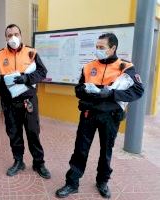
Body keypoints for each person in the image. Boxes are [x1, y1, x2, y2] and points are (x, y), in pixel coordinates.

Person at [55, 33, 144, 199]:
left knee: (106, 151)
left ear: (113, 48)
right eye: (96, 47)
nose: (98, 50)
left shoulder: (125, 68)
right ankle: (72, 182)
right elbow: (79, 89)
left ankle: (102, 181)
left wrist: (109, 94)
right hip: (89, 114)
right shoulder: (89, 66)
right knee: (80, 149)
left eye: (101, 47)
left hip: (110, 117)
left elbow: (137, 91)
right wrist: (85, 92)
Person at [0, 24, 51, 179]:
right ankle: (18, 161)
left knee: (33, 132)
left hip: (28, 101)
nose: (13, 37)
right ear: (6, 38)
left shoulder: (31, 52)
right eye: (9, 35)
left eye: (16, 34)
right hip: (9, 104)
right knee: (14, 133)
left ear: (21, 35)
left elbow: (42, 72)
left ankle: (39, 163)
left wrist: (27, 78)